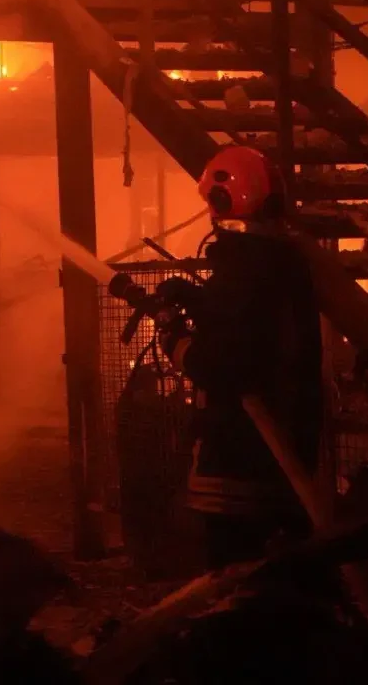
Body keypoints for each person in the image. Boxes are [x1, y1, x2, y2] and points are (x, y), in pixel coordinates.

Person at [153, 145, 324, 569]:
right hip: (283, 453)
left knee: (238, 580)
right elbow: (249, 322)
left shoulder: (244, 270)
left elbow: (223, 365)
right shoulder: (279, 261)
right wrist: (197, 298)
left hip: (241, 463)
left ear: (222, 201)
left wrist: (175, 342)